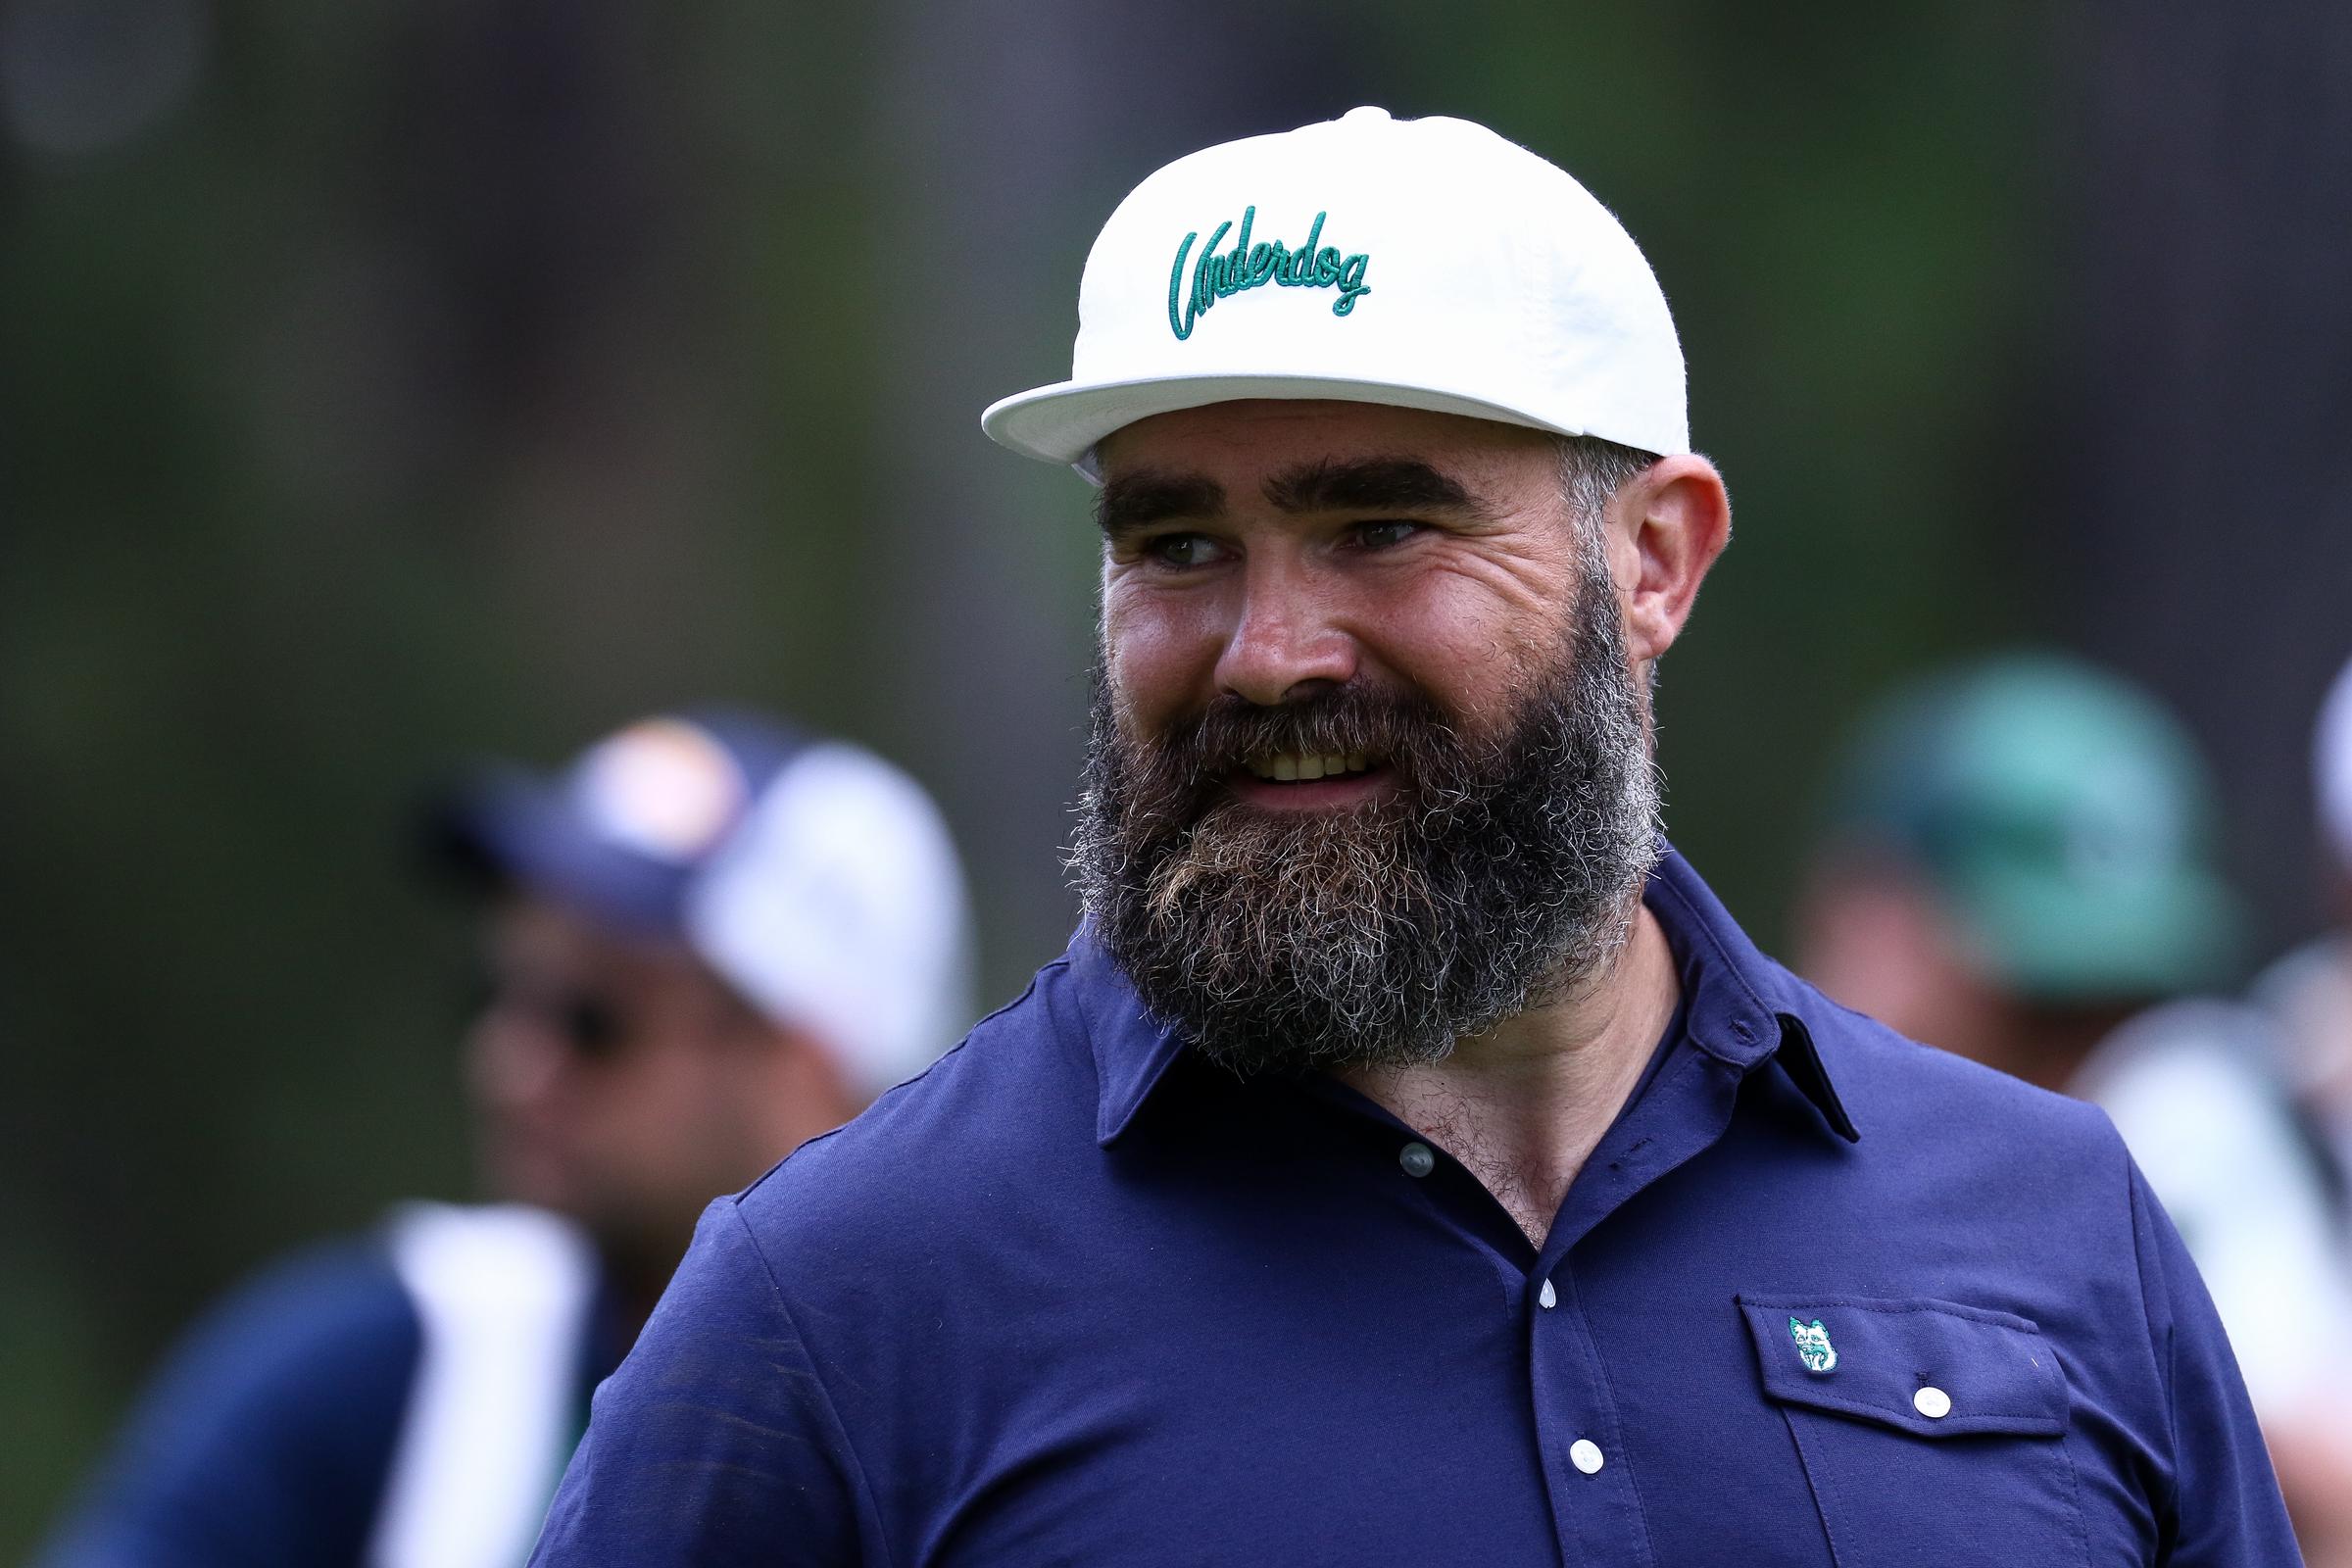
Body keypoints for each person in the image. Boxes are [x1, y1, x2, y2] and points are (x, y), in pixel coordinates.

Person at [532, 109, 2295, 1564]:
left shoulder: (2055, 1228)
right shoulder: (846, 1304)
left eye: (1381, 525)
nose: (1268, 651)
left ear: (1656, 563)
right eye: (1176, 545)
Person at [38, 709, 974, 1568]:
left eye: (590, 1018)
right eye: (500, 994)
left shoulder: (999, 1455)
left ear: (806, 1072)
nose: (509, 1064)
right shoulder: (389, 1380)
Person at [1796, 653, 2352, 1561]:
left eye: (2116, 1001)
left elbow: (2320, 1476)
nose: (2083, 1059)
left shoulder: (2187, 1106)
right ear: (1877, 922)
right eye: (2041, 1007)